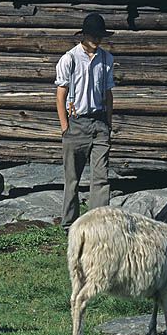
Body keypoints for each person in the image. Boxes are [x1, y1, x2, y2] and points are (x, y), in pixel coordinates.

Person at [55, 13, 115, 233]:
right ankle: (69, 224)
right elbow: (60, 94)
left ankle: (98, 224)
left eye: (100, 36)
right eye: (93, 35)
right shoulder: (69, 59)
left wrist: (108, 123)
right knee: (72, 179)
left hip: (99, 124)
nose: (97, 40)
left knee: (101, 177)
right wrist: (65, 128)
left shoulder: (107, 59)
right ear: (83, 35)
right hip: (76, 124)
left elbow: (108, 94)